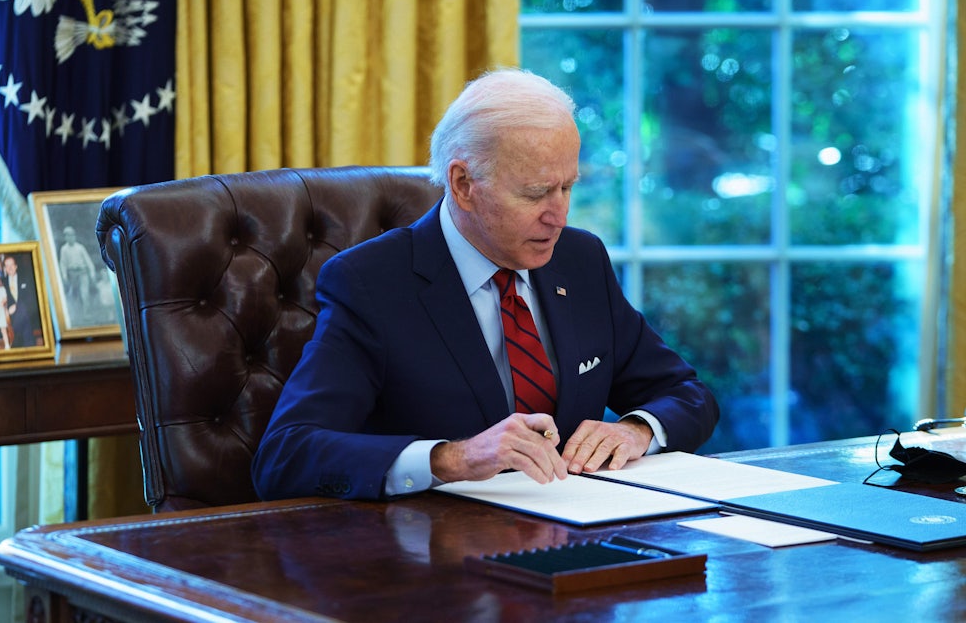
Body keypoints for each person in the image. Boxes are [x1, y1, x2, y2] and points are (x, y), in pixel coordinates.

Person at [252, 68, 719, 501]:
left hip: (580, 540)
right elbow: (286, 455)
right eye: (535, 193)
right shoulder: (370, 283)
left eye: (567, 187)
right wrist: (453, 458)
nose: (559, 215)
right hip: (435, 558)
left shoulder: (580, 260)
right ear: (463, 184)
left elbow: (687, 394)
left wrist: (635, 430)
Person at [58, 224, 97, 320]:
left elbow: (88, 261)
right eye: (68, 236)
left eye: (72, 235)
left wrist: (92, 273)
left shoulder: (80, 247)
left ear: (74, 236)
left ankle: (87, 314)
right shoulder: (64, 249)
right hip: (72, 274)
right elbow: (63, 264)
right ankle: (76, 315)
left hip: (82, 272)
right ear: (65, 237)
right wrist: (64, 276)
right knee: (74, 294)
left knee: (84, 293)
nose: (70, 237)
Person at [3, 254, 39, 347]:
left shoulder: (25, 278)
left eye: (11, 265)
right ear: (5, 269)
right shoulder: (3, 282)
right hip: (13, 316)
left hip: (28, 310)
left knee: (23, 309)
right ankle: (28, 345)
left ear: (16, 266)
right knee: (25, 325)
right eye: (7, 266)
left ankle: (16, 338)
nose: (10, 268)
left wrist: (17, 306)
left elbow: (31, 297)